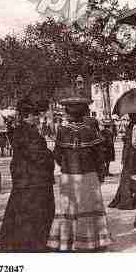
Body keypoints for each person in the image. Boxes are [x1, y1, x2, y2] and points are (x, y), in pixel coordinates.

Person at [47, 97, 112, 252]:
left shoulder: (62, 131)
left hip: (69, 175)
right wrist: (100, 171)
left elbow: (57, 154)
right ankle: (90, 241)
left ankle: (66, 241)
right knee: (88, 206)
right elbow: (99, 156)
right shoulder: (90, 131)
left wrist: (65, 164)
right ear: (84, 113)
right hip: (88, 174)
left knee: (68, 207)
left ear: (68, 113)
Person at [0, 98, 55, 251]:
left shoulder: (23, 130)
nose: (38, 117)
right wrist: (50, 156)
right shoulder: (27, 131)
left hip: (26, 179)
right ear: (28, 115)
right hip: (33, 179)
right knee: (38, 212)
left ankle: (27, 243)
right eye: (35, 115)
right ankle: (33, 245)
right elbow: (38, 155)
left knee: (23, 212)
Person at [109, 113, 136, 210]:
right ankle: (128, 200)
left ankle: (124, 199)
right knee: (132, 178)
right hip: (134, 156)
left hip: (128, 156)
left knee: (126, 179)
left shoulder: (131, 128)